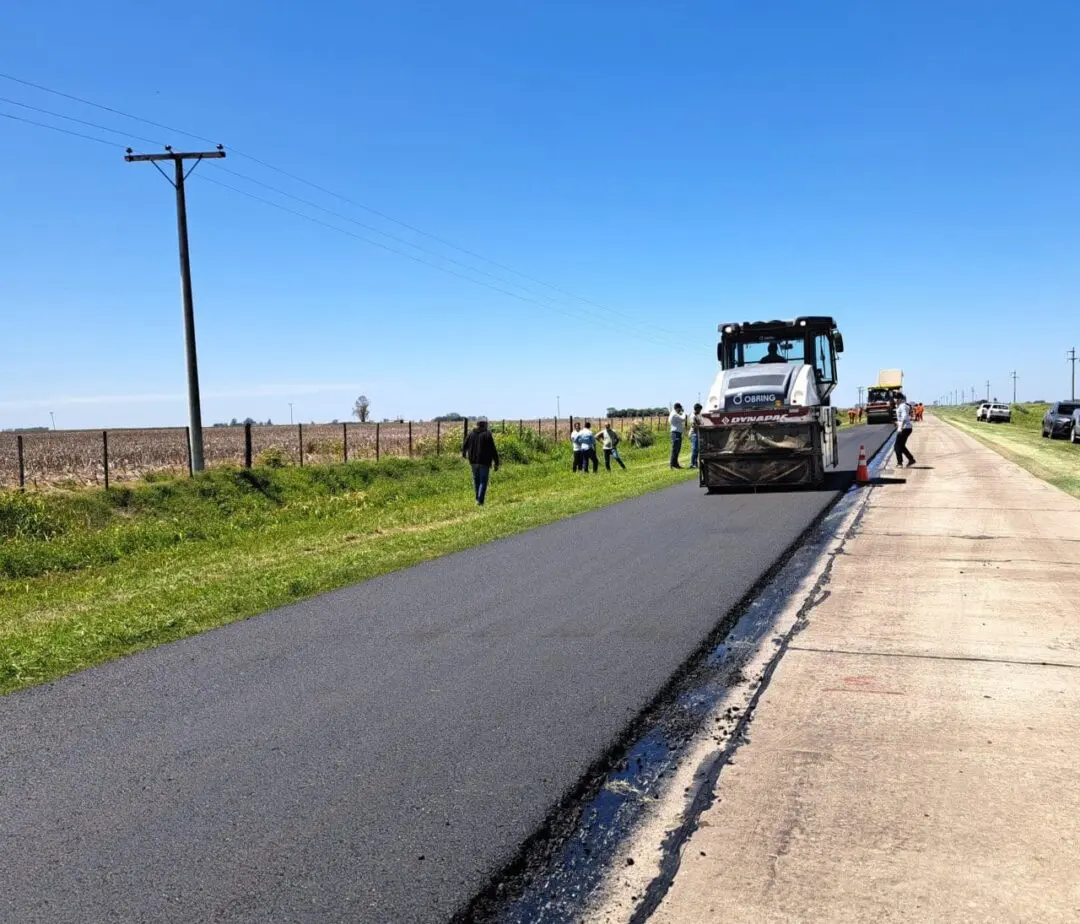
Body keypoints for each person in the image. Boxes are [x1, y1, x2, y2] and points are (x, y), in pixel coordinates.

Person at [462, 417, 500, 505]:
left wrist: (464, 454)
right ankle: (480, 501)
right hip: (484, 461)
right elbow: (492, 449)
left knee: (476, 481)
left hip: (473, 461)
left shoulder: (471, 434)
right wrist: (496, 462)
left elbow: (464, 445)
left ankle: (477, 499)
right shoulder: (487, 434)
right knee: (483, 481)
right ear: (485, 424)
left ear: (477, 424)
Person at [894, 393, 917, 468]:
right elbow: (901, 418)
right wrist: (897, 423)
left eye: (896, 398)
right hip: (906, 427)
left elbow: (904, 416)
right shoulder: (900, 406)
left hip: (905, 428)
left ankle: (899, 463)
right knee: (901, 446)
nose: (894, 400)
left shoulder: (903, 406)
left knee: (897, 446)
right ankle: (911, 459)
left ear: (900, 399)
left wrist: (900, 427)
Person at [669, 403, 687, 468]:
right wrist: (684, 412)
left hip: (676, 433)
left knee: (677, 449)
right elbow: (683, 419)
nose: (680, 410)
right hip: (675, 433)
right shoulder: (674, 415)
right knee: (675, 449)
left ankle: (675, 464)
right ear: (677, 408)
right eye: (680, 408)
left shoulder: (673, 413)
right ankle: (672, 464)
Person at [689, 403, 703, 469]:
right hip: (694, 434)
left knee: (697, 449)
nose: (700, 411)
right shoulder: (693, 416)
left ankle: (695, 463)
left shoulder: (697, 415)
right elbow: (693, 425)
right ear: (697, 409)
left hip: (697, 433)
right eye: (700, 409)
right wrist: (701, 426)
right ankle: (692, 463)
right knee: (694, 449)